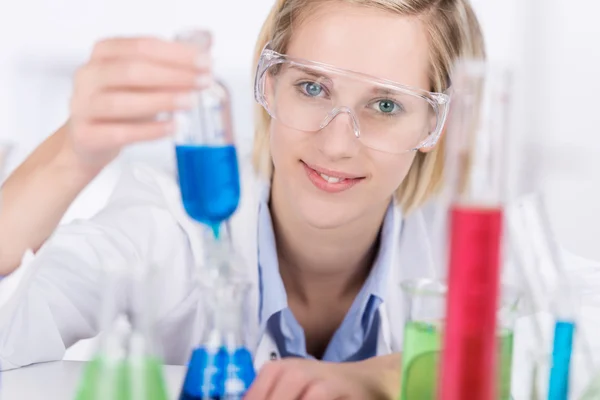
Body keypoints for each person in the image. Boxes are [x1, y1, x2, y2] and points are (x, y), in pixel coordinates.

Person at [0, 0, 484, 398]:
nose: (337, 143)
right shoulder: (174, 224)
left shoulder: (465, 244)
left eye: (385, 105)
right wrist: (69, 157)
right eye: (311, 87)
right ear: (268, 84)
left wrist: (374, 378)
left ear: (436, 124)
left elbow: (541, 354)